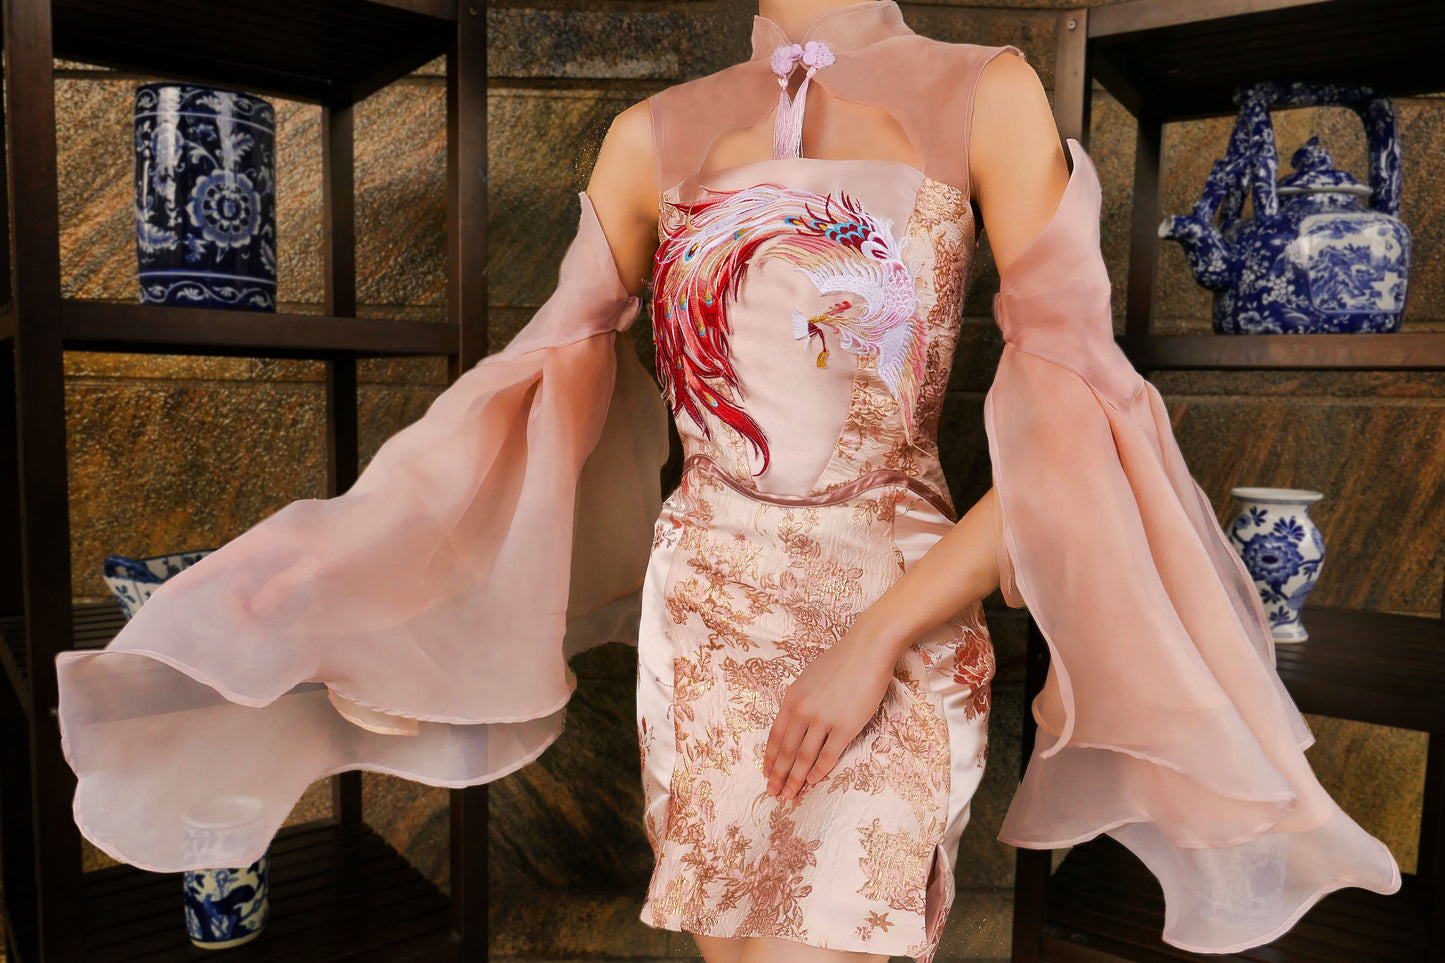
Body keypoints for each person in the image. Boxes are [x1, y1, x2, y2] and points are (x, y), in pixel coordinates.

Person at [54, 1, 1401, 962]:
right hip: (700, 624)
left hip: (900, 608)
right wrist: (350, 564)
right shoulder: (649, 135)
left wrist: (873, 640)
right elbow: (533, 386)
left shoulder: (984, 91)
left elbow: (1082, 435)